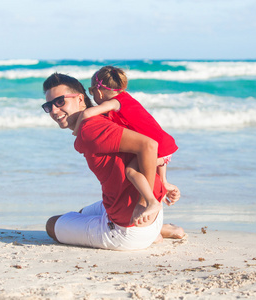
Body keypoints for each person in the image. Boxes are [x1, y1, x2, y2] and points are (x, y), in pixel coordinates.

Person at [41, 72, 184, 251]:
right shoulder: (108, 115)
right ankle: (158, 231)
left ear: (79, 98)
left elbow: (148, 145)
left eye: (60, 101)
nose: (54, 110)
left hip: (127, 230)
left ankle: (151, 232)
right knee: (79, 214)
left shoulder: (90, 129)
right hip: (151, 218)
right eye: (48, 106)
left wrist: (143, 202)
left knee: (52, 224)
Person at [73, 66, 179, 225]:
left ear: (99, 90)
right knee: (146, 164)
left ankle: (150, 201)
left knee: (131, 171)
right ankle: (164, 182)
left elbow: (87, 113)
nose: (92, 95)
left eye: (91, 91)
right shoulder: (127, 98)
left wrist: (76, 131)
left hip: (155, 148)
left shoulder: (115, 102)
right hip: (164, 144)